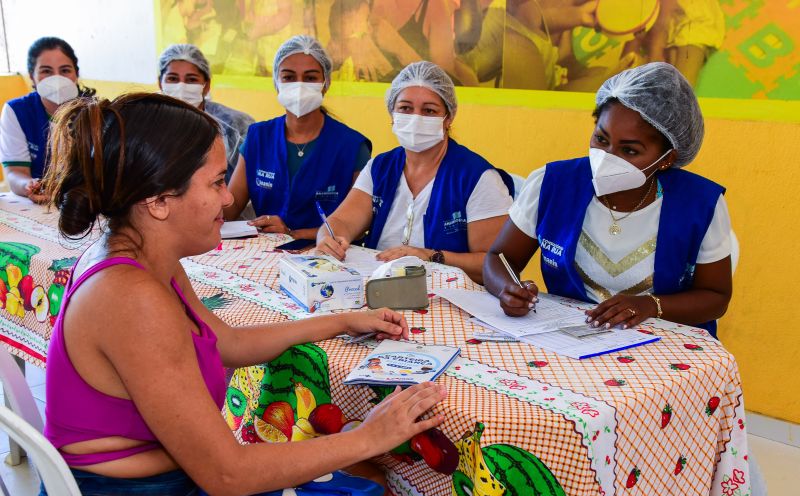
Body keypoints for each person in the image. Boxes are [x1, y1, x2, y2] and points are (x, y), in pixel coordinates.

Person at [36, 92, 445, 496]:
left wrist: (341, 321)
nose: (229, 200)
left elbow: (226, 342)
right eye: (215, 183)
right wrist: (370, 437)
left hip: (164, 487)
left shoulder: (144, 257)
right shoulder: (129, 296)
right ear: (158, 201)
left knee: (367, 480)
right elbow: (228, 473)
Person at [485, 62, 731, 334]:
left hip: (663, 350)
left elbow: (716, 297)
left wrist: (650, 305)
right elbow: (499, 257)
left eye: (630, 150)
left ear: (667, 159)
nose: (608, 157)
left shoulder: (700, 204)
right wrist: (508, 290)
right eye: (601, 139)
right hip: (569, 342)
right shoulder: (552, 183)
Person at [316, 61, 514, 284]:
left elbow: (493, 264)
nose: (416, 118)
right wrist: (328, 237)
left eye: (429, 110)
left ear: (448, 118)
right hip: (377, 285)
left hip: (447, 297)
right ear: (392, 114)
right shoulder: (380, 167)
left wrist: (430, 256)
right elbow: (342, 221)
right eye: (406, 108)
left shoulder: (476, 178)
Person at [224, 35, 371, 240]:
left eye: (310, 78)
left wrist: (293, 234)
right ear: (277, 83)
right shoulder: (258, 138)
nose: (299, 86)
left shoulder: (352, 147)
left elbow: (361, 224)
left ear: (325, 83)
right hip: (264, 257)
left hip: (327, 258)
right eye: (289, 77)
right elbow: (228, 210)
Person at [0, 37, 94, 202]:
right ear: (32, 76)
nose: (56, 79)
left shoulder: (95, 111)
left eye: (65, 70)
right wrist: (28, 185)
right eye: (46, 71)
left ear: (76, 75)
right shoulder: (17, 111)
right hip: (41, 204)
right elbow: (15, 172)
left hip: (84, 201)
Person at [158, 43, 255, 181]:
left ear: (206, 85)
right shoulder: (145, 124)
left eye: (191, 79)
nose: (181, 86)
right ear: (160, 83)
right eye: (173, 79)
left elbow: (247, 182)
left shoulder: (234, 126)